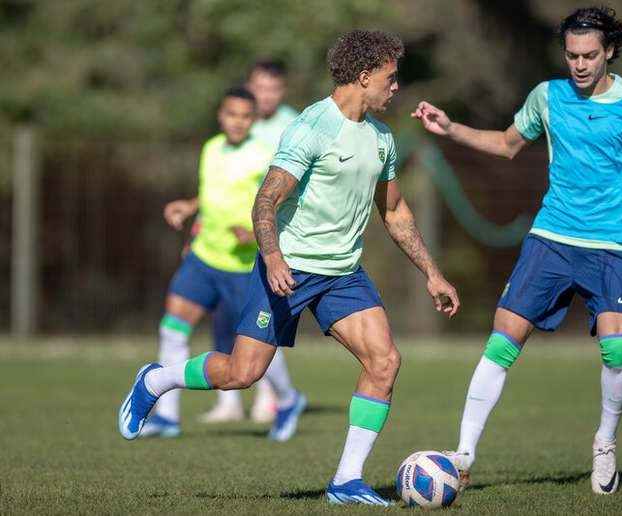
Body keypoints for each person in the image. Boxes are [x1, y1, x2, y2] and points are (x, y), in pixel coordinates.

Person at [119, 29, 460, 505]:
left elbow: (396, 212)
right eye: (390, 77)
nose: (395, 86)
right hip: (290, 269)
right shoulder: (311, 129)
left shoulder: (382, 139)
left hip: (343, 273)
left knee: (384, 361)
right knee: (242, 374)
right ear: (364, 77)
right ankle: (157, 379)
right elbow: (266, 200)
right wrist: (275, 257)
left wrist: (432, 272)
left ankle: (345, 481)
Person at [412, 6, 622, 496]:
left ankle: (605, 444)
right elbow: (509, 144)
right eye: (572, 55)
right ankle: (463, 454)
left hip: (611, 246)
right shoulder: (547, 97)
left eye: (590, 55)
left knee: (617, 350)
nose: (579, 64)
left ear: (610, 52)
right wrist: (451, 128)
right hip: (551, 238)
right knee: (501, 341)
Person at [139, 86, 305, 442]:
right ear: (221, 114)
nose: (238, 122)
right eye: (232, 114)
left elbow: (275, 201)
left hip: (243, 267)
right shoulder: (210, 148)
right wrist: (189, 207)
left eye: (246, 116)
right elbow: (213, 192)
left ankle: (289, 400)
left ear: (253, 120)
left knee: (254, 346)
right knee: (173, 327)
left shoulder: (264, 156)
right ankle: (167, 416)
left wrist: (256, 231)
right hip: (204, 257)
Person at [200, 59, 301, 425]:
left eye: (273, 89)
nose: (265, 96)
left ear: (282, 92)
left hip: (272, 235)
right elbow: (222, 182)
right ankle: (230, 400)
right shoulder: (238, 124)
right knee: (228, 319)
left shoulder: (293, 125)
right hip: (227, 241)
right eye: (260, 88)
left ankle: (272, 397)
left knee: (263, 318)